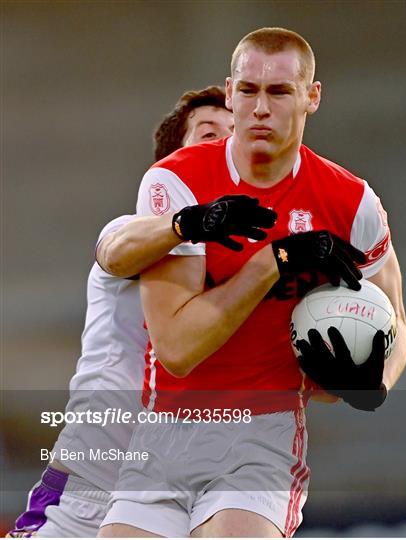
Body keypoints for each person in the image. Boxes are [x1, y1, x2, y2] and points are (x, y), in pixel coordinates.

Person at [99, 27, 406, 538]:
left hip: (261, 436)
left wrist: (375, 382)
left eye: (279, 91)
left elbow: (395, 319)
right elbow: (177, 348)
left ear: (311, 97)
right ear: (229, 93)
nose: (260, 108)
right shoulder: (177, 184)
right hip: (163, 435)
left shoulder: (352, 204)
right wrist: (272, 262)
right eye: (248, 91)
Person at [7, 86, 276, 538]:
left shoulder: (255, 268)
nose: (225, 148)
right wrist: (187, 221)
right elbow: (114, 253)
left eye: (235, 136)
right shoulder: (138, 230)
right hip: (92, 486)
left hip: (181, 492)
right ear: (171, 162)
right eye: (210, 134)